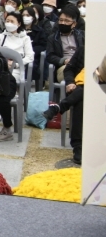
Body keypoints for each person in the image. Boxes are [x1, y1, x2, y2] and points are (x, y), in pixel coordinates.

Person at [42, 37, 85, 165]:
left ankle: (58, 107)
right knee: (80, 101)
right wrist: (70, 82)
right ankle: (78, 147)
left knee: (82, 92)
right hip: (83, 88)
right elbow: (69, 68)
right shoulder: (84, 49)